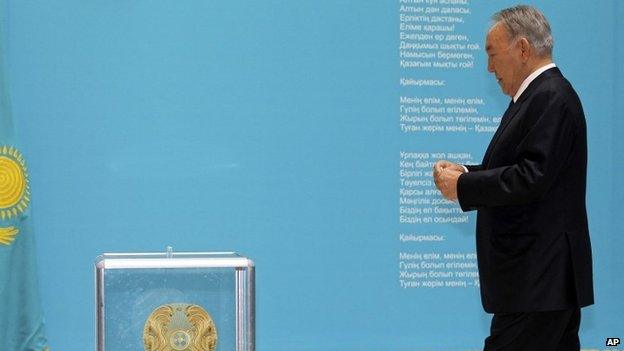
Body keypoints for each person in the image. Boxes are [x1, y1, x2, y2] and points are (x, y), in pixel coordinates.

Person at [433, 5, 593, 350]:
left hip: (537, 282)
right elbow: (528, 168)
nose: (489, 68)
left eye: (492, 55)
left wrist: (464, 186)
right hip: (540, 284)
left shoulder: (549, 96)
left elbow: (531, 177)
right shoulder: (540, 96)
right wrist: (465, 173)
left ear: (522, 49)